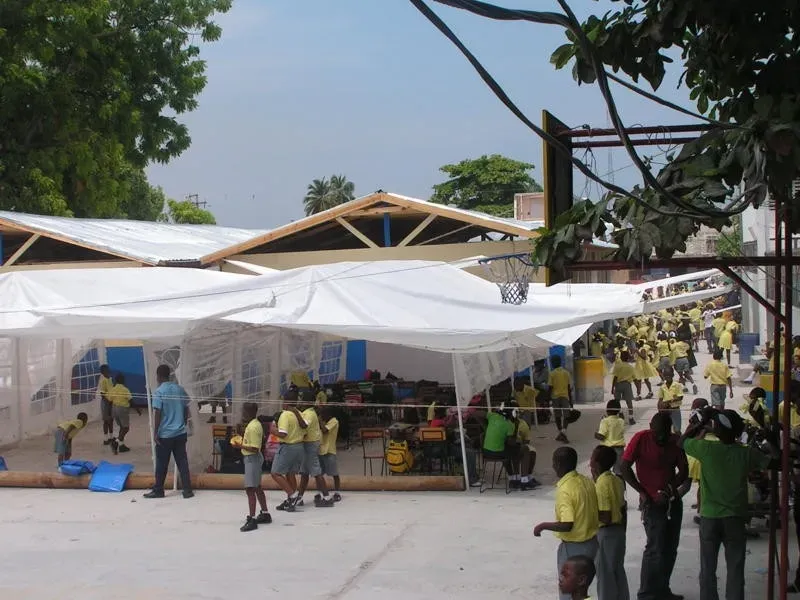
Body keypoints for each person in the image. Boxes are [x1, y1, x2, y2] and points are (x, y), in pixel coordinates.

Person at [682, 409, 771, 600]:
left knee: (707, 568)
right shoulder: (746, 453)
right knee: (736, 568)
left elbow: (682, 441)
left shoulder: (706, 449)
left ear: (718, 431)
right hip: (735, 518)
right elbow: (771, 462)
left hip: (710, 517)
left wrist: (700, 425)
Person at [620, 412, 688, 600]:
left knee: (670, 547)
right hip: (651, 502)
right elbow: (625, 466)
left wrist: (669, 489)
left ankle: (663, 589)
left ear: (670, 429)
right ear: (651, 427)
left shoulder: (675, 441)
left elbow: (684, 471)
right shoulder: (641, 438)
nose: (661, 438)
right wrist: (641, 491)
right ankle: (647, 593)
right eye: (657, 433)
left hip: (670, 500)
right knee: (655, 548)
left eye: (664, 433)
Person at [534, 447, 599, 600]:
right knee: (581, 589)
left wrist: (542, 526)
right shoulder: (586, 482)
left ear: (557, 464)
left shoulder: (565, 489)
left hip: (573, 546)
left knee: (568, 590)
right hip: (592, 543)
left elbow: (567, 524)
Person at [143, 365, 194, 499]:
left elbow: (158, 412)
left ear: (158, 376)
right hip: (180, 433)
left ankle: (159, 490)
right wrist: (182, 423)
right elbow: (186, 407)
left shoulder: (159, 392)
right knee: (182, 462)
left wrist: (155, 432)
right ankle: (187, 490)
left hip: (165, 434)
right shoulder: (179, 389)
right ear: (169, 375)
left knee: (162, 464)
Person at [591, 445, 630, 600]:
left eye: (592, 458)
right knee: (617, 571)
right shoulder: (617, 480)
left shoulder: (601, 484)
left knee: (606, 576)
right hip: (619, 531)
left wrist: (589, 513)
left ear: (597, 464)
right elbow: (623, 508)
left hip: (607, 532)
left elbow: (605, 516)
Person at [231, 402, 272, 532]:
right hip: (252, 459)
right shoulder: (253, 424)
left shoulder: (254, 427)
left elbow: (254, 448)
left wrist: (240, 446)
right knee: (257, 487)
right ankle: (265, 513)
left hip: (252, 459)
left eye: (244, 412)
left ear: (249, 413)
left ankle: (252, 519)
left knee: (250, 489)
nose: (242, 414)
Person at [270, 401, 308, 512]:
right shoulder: (300, 414)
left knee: (275, 473)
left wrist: (273, 431)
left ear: (286, 403)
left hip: (287, 447)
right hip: (299, 446)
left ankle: (293, 495)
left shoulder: (285, 415)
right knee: (290, 473)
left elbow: (283, 433)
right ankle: (290, 501)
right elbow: (305, 429)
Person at [296, 402, 334, 508]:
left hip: (310, 444)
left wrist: (294, 412)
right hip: (309, 443)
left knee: (316, 471)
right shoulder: (309, 412)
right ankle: (299, 497)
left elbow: (304, 425)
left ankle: (327, 497)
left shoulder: (309, 414)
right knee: (304, 472)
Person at [482, 405, 521, 486]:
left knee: (506, 450)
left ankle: (513, 477)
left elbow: (477, 413)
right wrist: (516, 426)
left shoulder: (493, 416)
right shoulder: (509, 424)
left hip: (485, 453)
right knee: (515, 450)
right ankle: (514, 478)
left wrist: (484, 425)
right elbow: (511, 442)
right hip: (498, 454)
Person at [595, 400, 626, 472]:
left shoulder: (605, 421)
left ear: (607, 410)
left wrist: (596, 434)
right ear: (618, 411)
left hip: (607, 449)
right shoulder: (621, 421)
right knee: (619, 471)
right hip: (619, 449)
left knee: (604, 469)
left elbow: (601, 436)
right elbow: (621, 417)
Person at [318, 406, 342, 501]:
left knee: (334, 473)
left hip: (329, 450)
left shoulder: (334, 421)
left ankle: (337, 492)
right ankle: (320, 492)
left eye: (322, 414)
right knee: (319, 473)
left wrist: (319, 421)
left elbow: (325, 431)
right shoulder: (324, 422)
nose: (321, 416)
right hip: (320, 450)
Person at [549, 355, 574, 443]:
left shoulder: (552, 374)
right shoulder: (566, 373)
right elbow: (568, 388)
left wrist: (548, 398)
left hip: (555, 397)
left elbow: (550, 387)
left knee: (557, 416)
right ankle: (563, 432)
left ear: (552, 363)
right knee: (566, 416)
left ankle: (561, 433)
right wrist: (571, 400)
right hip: (565, 396)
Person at [107, 373, 132, 454]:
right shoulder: (125, 389)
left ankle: (121, 446)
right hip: (122, 409)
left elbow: (110, 400)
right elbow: (130, 399)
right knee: (126, 428)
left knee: (121, 427)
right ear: (122, 380)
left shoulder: (113, 389)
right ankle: (116, 442)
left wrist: (110, 413)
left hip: (114, 409)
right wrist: (138, 409)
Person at [611, 350, 636, 425]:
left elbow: (615, 377)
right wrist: (638, 388)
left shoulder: (617, 366)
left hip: (618, 384)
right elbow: (635, 379)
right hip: (627, 385)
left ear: (621, 357)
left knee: (617, 401)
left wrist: (612, 387)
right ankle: (631, 418)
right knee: (629, 402)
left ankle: (620, 412)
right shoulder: (630, 367)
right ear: (628, 358)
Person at [658, 367, 685, 433]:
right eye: (666, 375)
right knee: (666, 428)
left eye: (669, 375)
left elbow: (680, 397)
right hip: (666, 410)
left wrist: (668, 402)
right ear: (663, 376)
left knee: (677, 429)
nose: (667, 377)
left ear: (672, 375)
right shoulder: (662, 387)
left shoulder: (677, 385)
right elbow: (660, 399)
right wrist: (659, 408)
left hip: (675, 409)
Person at [98, 364, 114, 446]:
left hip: (111, 402)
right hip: (106, 403)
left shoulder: (110, 379)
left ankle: (111, 437)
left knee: (111, 420)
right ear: (103, 372)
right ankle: (105, 438)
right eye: (107, 370)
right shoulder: (103, 380)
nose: (108, 371)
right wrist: (109, 400)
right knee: (106, 420)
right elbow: (102, 394)